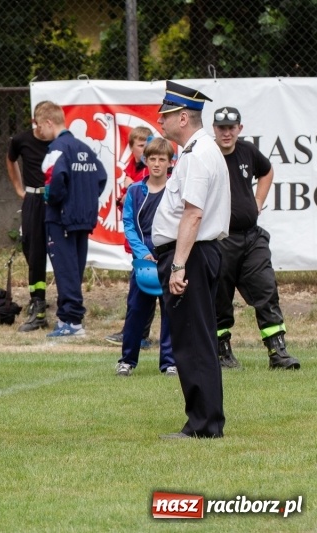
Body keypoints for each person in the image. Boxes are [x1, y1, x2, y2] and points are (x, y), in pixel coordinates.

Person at [152, 81, 229, 439]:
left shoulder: (198, 155)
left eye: (165, 113)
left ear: (183, 117)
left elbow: (193, 214)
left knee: (192, 340)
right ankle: (204, 420)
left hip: (192, 256)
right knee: (197, 337)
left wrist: (179, 264)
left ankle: (203, 425)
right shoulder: (200, 151)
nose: (159, 118)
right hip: (196, 254)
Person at [212, 107, 300, 370]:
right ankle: (222, 352)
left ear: (240, 128)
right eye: (221, 128)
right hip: (219, 240)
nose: (226, 133)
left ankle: (278, 352)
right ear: (213, 129)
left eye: (231, 127)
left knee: (266, 289)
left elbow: (267, 171)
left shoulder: (248, 150)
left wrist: (258, 201)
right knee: (219, 298)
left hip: (252, 237)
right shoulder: (206, 155)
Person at [40, 102, 107, 337]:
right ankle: (67, 317)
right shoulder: (84, 148)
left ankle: (72, 321)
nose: (39, 132)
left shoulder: (57, 148)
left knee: (65, 270)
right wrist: (84, 200)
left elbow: (54, 180)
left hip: (61, 219)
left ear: (49, 122)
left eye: (40, 126)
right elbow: (101, 177)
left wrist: (52, 199)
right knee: (74, 270)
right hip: (82, 219)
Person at [114, 137, 176, 377]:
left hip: (169, 257)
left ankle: (169, 362)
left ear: (171, 162)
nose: (157, 164)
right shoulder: (134, 191)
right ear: (145, 161)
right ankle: (127, 360)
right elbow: (128, 224)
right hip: (144, 259)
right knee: (136, 310)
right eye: (152, 159)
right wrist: (142, 252)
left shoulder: (175, 190)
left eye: (162, 159)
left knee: (171, 310)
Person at [105, 126, 154, 347]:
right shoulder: (131, 170)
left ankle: (138, 335)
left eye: (147, 145)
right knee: (141, 286)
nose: (144, 150)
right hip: (137, 239)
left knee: (146, 286)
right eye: (140, 145)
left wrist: (128, 191)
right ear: (131, 147)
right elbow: (125, 207)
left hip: (149, 240)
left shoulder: (149, 172)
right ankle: (135, 333)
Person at [6, 103, 52, 332]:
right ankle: (37, 300)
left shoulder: (60, 141)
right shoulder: (21, 140)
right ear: (35, 123)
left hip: (55, 200)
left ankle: (68, 306)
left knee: (61, 252)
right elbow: (10, 159)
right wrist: (18, 188)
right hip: (33, 200)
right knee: (33, 251)